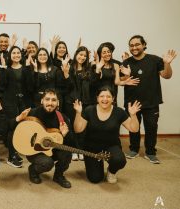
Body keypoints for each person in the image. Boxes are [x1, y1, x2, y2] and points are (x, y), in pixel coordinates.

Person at [122, 35, 177, 164]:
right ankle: (134, 149)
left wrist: (167, 64)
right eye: (131, 45)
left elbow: (166, 75)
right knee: (133, 127)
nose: (134, 47)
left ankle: (150, 152)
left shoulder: (155, 60)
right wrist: (126, 77)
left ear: (144, 44)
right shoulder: (126, 62)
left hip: (151, 101)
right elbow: (121, 81)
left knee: (151, 127)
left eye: (137, 44)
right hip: (132, 102)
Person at [73, 86, 141, 183]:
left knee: (119, 160)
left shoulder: (119, 112)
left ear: (113, 98)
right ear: (97, 98)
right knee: (95, 179)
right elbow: (78, 130)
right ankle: (95, 166)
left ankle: (111, 171)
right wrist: (78, 113)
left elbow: (134, 129)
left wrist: (133, 115)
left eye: (108, 96)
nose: (105, 99)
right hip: (91, 148)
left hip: (111, 146)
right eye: (102, 96)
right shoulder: (89, 110)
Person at [13, 88, 74, 188]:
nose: (50, 103)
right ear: (42, 101)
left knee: (67, 154)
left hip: (51, 149)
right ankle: (33, 170)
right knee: (47, 163)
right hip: (33, 149)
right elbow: (11, 128)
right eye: (47, 99)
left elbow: (72, 143)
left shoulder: (62, 118)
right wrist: (18, 119)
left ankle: (58, 176)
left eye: (53, 100)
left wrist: (65, 134)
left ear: (58, 102)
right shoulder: (31, 113)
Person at [0, 46, 34, 168]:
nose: (16, 55)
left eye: (18, 53)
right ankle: (11, 156)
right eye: (13, 53)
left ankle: (15, 152)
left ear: (21, 55)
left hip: (23, 102)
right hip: (9, 102)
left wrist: (29, 67)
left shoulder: (25, 69)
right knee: (12, 126)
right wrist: (2, 68)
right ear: (10, 56)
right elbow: (1, 86)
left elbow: (30, 86)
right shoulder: (6, 69)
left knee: (21, 127)